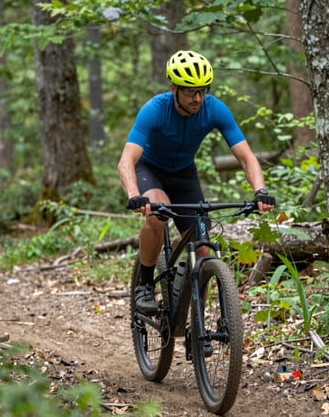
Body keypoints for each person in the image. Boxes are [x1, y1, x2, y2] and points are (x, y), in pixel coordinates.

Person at [118, 50, 275, 313]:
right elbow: (126, 161)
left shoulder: (215, 109)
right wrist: (135, 195)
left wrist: (260, 191)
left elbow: (246, 157)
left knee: (203, 249)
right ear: (173, 88)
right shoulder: (154, 110)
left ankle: (197, 320)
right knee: (157, 214)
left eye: (203, 90)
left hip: (184, 174)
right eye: (190, 91)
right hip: (150, 170)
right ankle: (144, 284)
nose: (198, 98)